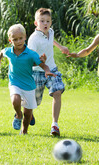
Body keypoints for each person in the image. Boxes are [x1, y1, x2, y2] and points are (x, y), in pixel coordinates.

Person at [0, 24, 55, 135]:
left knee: (28, 113)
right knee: (15, 100)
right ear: (10, 40)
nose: (18, 41)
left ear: (25, 37)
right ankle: (18, 115)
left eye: (20, 38)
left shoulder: (31, 54)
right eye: (15, 39)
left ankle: (24, 131)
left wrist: (47, 70)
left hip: (29, 85)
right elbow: (2, 52)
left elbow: (42, 64)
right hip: (14, 82)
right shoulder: (9, 51)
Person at [28, 8, 69, 136]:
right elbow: (29, 57)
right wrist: (40, 60)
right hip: (37, 72)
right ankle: (28, 113)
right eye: (41, 21)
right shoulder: (33, 39)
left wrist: (61, 47)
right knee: (34, 102)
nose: (45, 24)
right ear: (36, 23)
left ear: (51, 22)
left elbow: (51, 40)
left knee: (57, 92)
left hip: (52, 69)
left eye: (47, 21)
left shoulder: (50, 32)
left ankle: (54, 125)